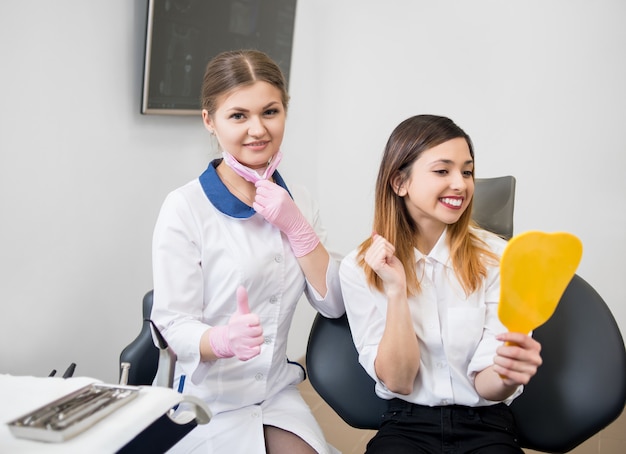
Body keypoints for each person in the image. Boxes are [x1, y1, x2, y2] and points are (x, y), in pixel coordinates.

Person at [151, 49, 344, 454]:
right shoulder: (185, 207)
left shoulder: (301, 202)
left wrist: (297, 228)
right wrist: (220, 339)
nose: (258, 129)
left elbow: (334, 306)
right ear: (210, 121)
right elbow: (172, 322)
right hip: (204, 399)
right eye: (238, 115)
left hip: (274, 393)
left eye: (270, 112)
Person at [339, 114, 543, 453]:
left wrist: (509, 373)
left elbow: (487, 385)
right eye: (442, 171)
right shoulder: (359, 268)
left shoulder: (501, 259)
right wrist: (396, 291)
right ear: (399, 182)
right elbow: (400, 381)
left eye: (467, 171)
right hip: (405, 424)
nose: (461, 184)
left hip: (487, 423)